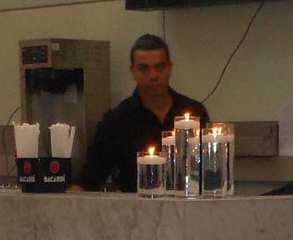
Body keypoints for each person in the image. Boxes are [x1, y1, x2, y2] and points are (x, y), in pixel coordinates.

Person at [74, 33, 209, 192]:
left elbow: (210, 170)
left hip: (190, 203)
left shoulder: (194, 112)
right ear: (133, 71)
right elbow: (89, 178)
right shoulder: (116, 121)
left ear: (170, 68)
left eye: (160, 67)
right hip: (137, 205)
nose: (153, 76)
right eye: (144, 68)